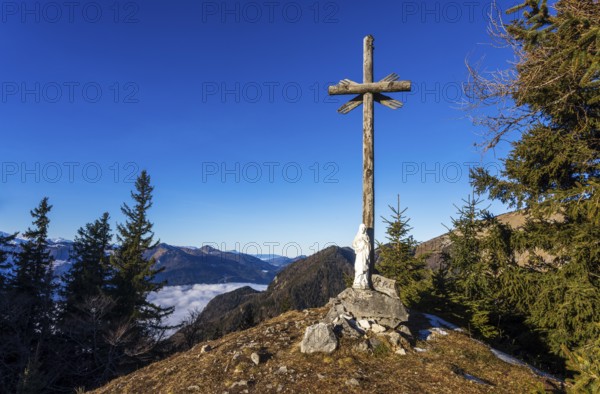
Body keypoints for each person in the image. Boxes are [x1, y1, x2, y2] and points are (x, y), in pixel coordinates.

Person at [352, 223, 370, 289]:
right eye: (361, 228)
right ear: (359, 229)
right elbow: (353, 244)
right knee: (359, 267)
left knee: (365, 267)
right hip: (359, 254)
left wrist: (365, 244)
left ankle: (364, 281)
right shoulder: (357, 236)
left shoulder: (366, 237)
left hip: (365, 254)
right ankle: (358, 281)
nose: (362, 229)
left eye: (364, 228)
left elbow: (369, 246)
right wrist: (358, 247)